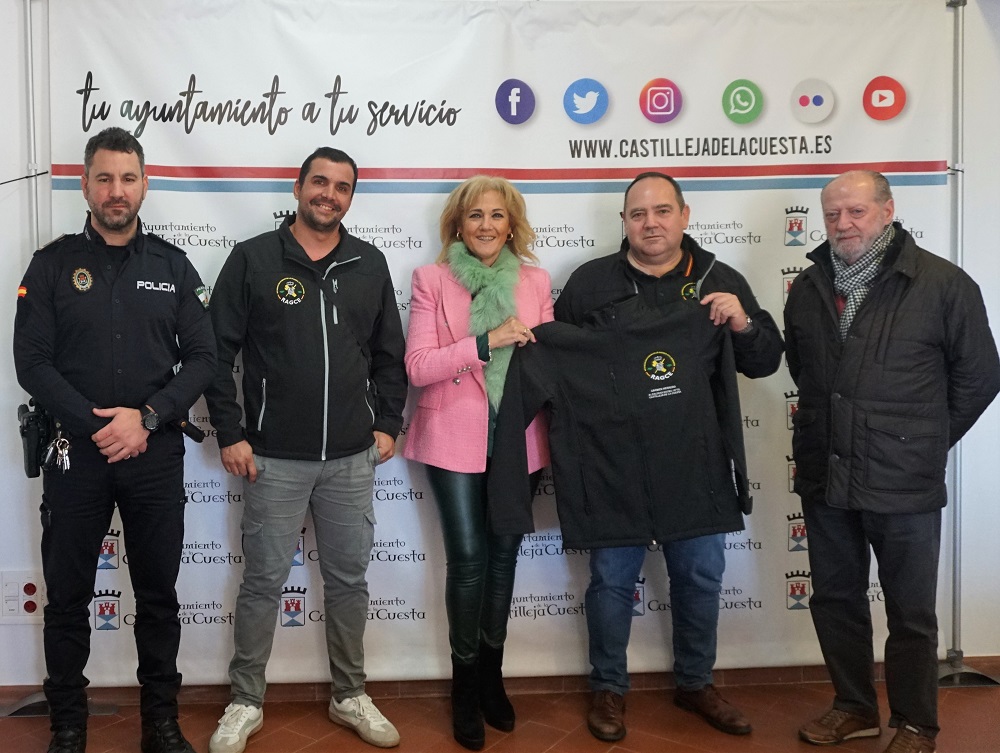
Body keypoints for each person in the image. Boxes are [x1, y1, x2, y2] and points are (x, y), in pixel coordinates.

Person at [549, 172, 783, 742]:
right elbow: (558, 366)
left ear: (684, 215)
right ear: (624, 222)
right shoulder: (588, 283)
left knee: (700, 576)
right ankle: (608, 687)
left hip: (697, 461)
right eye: (638, 214)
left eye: (661, 211)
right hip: (611, 465)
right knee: (610, 581)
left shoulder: (719, 279)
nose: (650, 223)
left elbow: (765, 362)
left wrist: (743, 324)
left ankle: (696, 683)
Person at [13, 127, 216, 753]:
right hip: (75, 455)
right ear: (85, 185)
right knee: (68, 596)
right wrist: (98, 424)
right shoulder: (51, 265)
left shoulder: (173, 266)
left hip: (154, 456)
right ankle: (68, 724)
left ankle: (161, 722)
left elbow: (204, 357)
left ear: (145, 185)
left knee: (157, 596)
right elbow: (31, 362)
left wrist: (148, 417)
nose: (116, 190)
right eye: (104, 178)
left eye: (128, 178)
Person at [785, 170, 1000, 753]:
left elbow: (981, 376)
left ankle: (916, 723)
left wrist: (921, 441)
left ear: (887, 210)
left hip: (904, 480)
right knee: (836, 600)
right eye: (832, 214)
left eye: (855, 211)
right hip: (826, 473)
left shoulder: (943, 284)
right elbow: (805, 371)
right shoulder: (808, 286)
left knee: (910, 612)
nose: (843, 224)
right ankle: (853, 707)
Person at [203, 147, 407, 753]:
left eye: (342, 187)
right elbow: (215, 354)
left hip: (351, 458)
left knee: (348, 581)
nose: (329, 194)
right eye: (319, 182)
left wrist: (388, 424)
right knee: (263, 581)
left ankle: (349, 694)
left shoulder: (369, 263)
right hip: (273, 458)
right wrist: (231, 432)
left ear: (350, 197)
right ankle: (245, 700)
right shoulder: (253, 259)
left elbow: (389, 355)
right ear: (297, 188)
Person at [403, 176, 553, 750]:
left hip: (520, 439)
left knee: (504, 556)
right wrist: (486, 342)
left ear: (511, 225)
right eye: (475, 215)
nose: (486, 225)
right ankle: (464, 686)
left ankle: (493, 676)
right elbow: (419, 366)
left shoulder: (536, 281)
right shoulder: (431, 279)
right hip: (451, 437)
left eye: (496, 215)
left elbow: (549, 362)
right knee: (468, 560)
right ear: (458, 226)